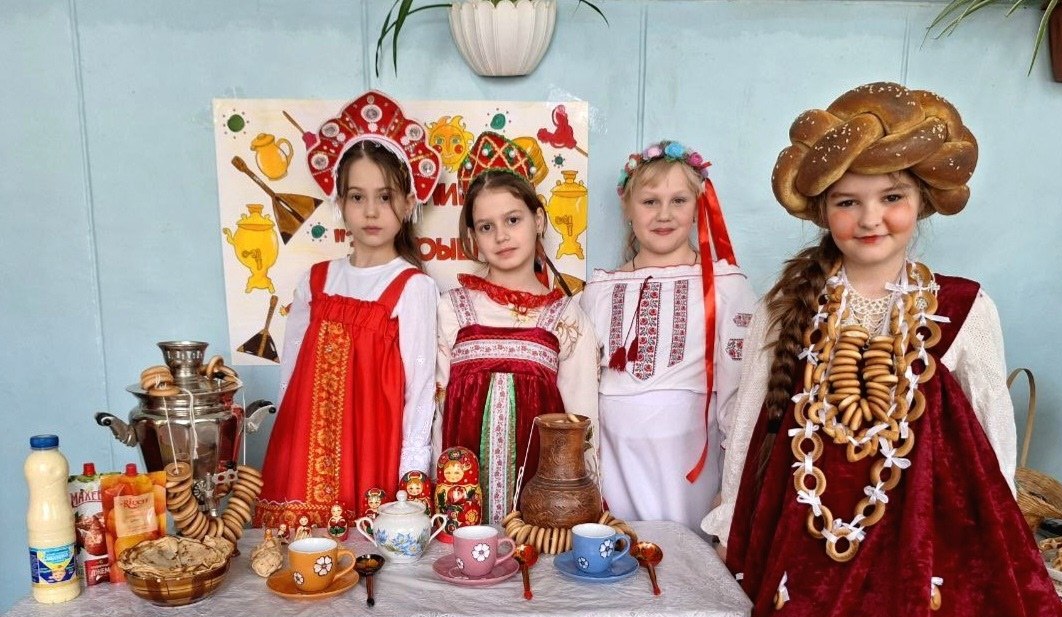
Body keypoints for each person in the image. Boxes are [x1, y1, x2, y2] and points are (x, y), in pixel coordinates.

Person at [689, 82, 1062, 617]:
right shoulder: (786, 305)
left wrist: (1002, 531)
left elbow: (992, 430)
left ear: (923, 201)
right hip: (807, 537)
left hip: (929, 537)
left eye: (892, 198)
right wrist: (730, 519)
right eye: (848, 202)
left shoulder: (963, 306)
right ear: (823, 212)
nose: (870, 218)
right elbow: (749, 424)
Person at [256, 90, 442, 530]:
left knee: (362, 553)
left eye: (385, 196)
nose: (371, 211)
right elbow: (291, 376)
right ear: (339, 203)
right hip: (303, 448)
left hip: (371, 449)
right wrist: (286, 446)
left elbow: (419, 393)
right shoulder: (315, 280)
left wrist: (412, 475)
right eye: (357, 197)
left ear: (409, 203)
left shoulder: (413, 287)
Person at [580, 140, 755, 535]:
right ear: (627, 207)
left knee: (686, 557)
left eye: (678, 200)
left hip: (689, 466)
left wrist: (731, 490)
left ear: (698, 207)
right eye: (650, 201)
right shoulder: (599, 290)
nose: (664, 214)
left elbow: (740, 393)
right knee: (621, 552)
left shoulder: (726, 286)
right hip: (615, 462)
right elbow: (582, 387)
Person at [436, 131, 599, 527]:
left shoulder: (565, 317)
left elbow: (582, 421)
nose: (501, 236)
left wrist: (584, 502)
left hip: (541, 512)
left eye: (513, 219)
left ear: (538, 219)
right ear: (473, 237)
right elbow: (435, 409)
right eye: (486, 226)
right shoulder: (453, 309)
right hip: (460, 507)